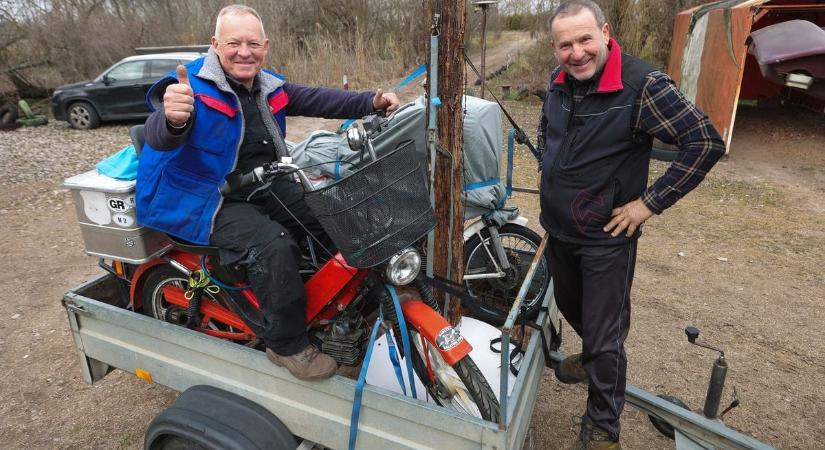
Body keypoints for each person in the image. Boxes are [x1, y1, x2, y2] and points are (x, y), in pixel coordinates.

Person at [136, 5, 399, 381]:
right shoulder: (187, 87)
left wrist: (370, 102)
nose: (245, 51)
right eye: (234, 43)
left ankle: (328, 304)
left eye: (253, 43)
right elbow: (159, 133)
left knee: (331, 213)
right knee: (274, 245)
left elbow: (317, 99)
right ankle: (287, 344)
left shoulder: (267, 84)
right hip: (204, 199)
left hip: (260, 183)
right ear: (215, 45)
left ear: (266, 46)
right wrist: (172, 119)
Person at [536, 1, 725, 448]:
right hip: (560, 229)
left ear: (605, 33)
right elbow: (549, 128)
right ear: (554, 47)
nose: (577, 52)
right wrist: (548, 164)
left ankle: (602, 427)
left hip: (607, 237)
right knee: (571, 307)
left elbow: (704, 142)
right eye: (566, 45)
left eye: (585, 40)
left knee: (605, 335)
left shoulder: (643, 86)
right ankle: (597, 357)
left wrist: (648, 204)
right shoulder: (557, 80)